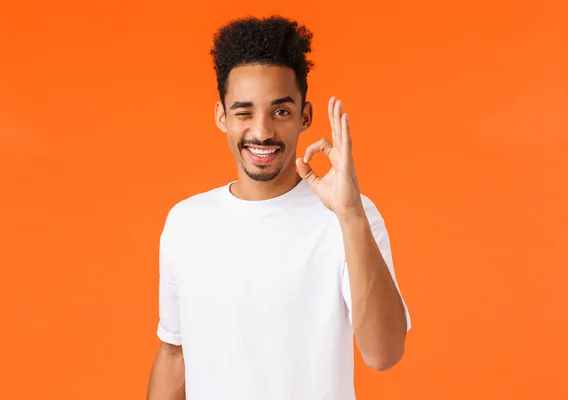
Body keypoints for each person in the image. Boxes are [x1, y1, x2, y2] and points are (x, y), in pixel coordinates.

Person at [147, 14, 411, 400]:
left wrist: (350, 216)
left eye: (281, 111)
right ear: (222, 117)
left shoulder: (350, 218)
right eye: (244, 111)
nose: (262, 131)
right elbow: (174, 353)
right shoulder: (186, 223)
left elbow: (384, 353)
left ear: (305, 117)